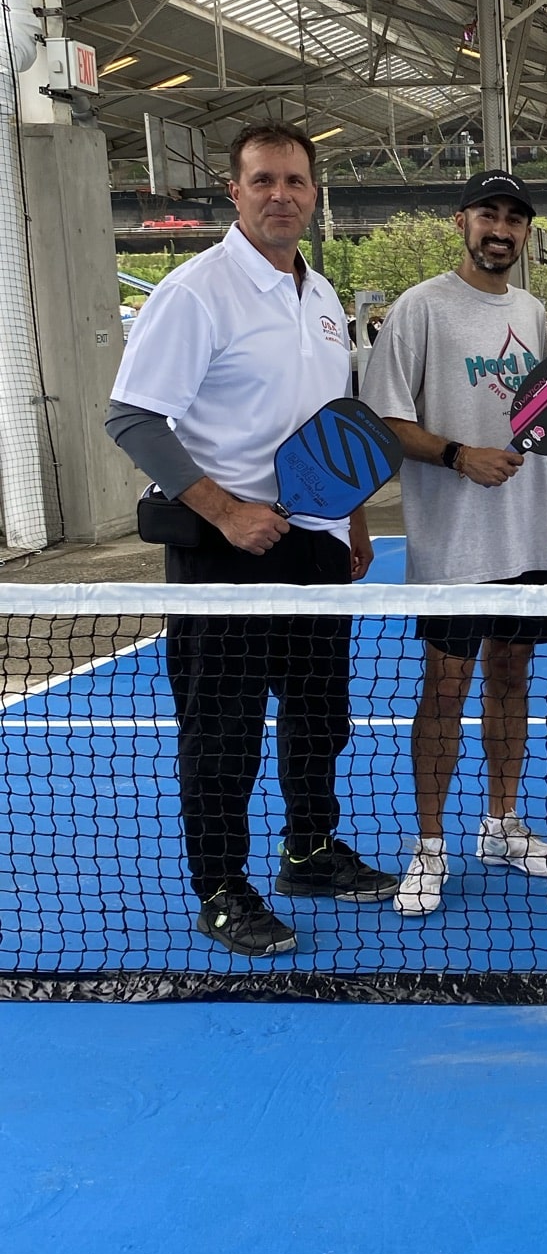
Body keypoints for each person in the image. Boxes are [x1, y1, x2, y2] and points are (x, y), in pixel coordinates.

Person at [105, 122, 399, 958]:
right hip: (223, 549)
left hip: (314, 544)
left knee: (318, 716)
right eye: (263, 180)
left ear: (314, 193)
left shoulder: (323, 294)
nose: (281, 195)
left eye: (296, 181)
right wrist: (225, 509)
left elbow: (331, 423)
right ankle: (222, 888)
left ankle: (308, 850)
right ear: (234, 192)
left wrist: (352, 516)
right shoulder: (197, 292)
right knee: (223, 727)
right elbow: (131, 416)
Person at [361, 170, 547, 918]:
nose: (502, 228)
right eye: (490, 213)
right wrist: (459, 456)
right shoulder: (419, 309)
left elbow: (543, 413)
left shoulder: (531, 308)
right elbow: (385, 421)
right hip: (452, 545)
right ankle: (428, 848)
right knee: (444, 688)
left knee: (512, 679)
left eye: (515, 218)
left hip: (529, 534)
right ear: (462, 221)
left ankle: (502, 825)